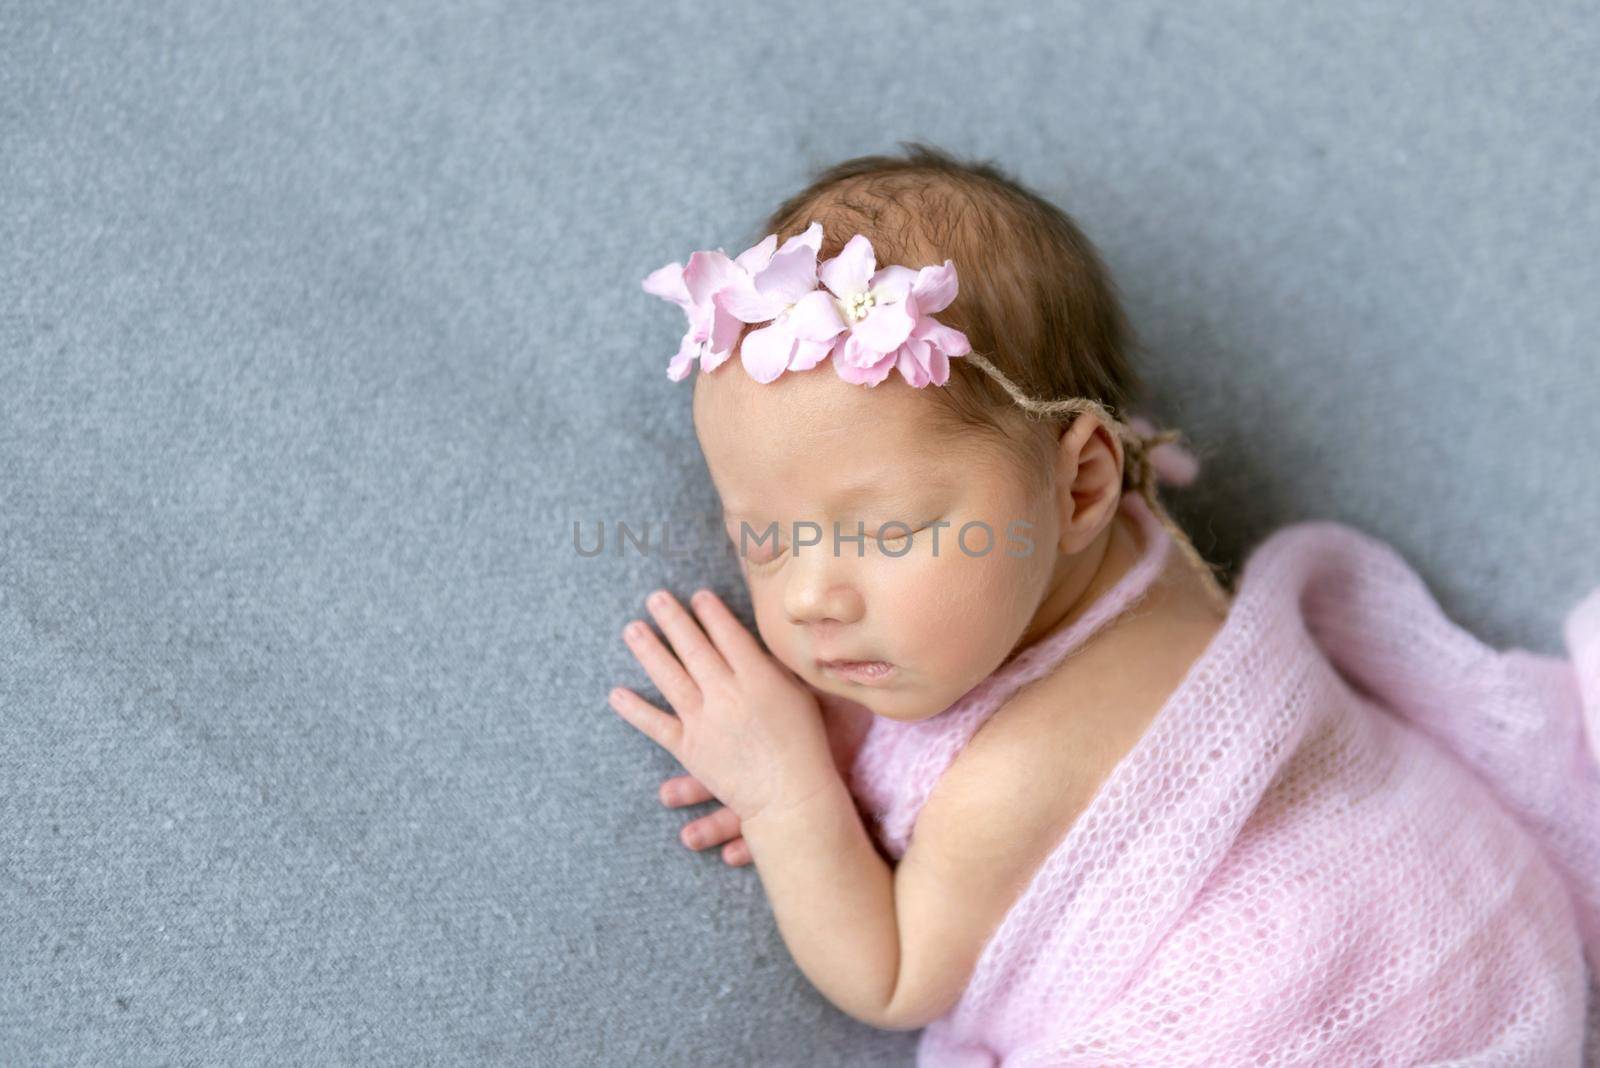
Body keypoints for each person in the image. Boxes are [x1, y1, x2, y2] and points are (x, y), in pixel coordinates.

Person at [612, 143, 1600, 1064]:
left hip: (1347, 978)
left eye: (885, 532)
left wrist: (790, 793)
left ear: (1080, 484)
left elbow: (893, 972)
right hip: (1482, 890)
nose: (813, 595)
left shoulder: (1016, 775)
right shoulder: (1126, 534)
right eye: (766, 538)